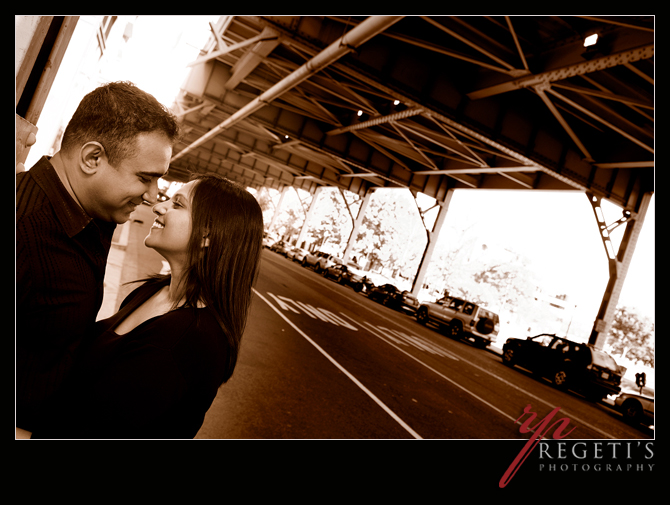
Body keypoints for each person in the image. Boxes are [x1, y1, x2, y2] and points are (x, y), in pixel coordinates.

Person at [30, 173, 264, 439]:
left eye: (177, 205)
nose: (158, 206)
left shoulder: (191, 339)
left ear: (207, 235)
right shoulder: (154, 290)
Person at [16, 81, 180, 434]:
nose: (153, 197)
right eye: (145, 178)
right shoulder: (22, 231)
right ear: (93, 158)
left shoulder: (95, 213)